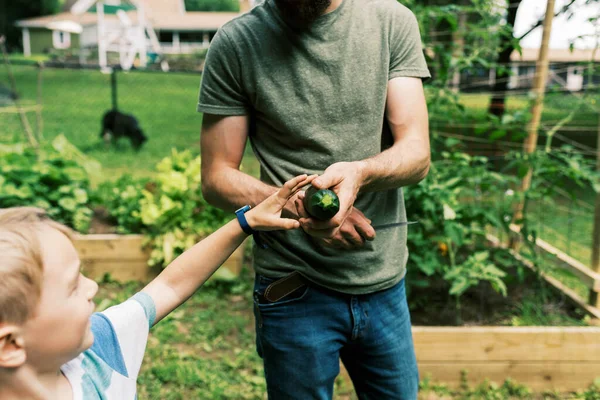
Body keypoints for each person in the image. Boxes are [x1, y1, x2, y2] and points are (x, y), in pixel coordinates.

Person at [198, 0, 431, 397]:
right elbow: (217, 176)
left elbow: (417, 153)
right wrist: (301, 205)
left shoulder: (391, 21)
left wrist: (360, 173)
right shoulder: (236, 43)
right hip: (293, 284)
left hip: (383, 282)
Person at [0, 174, 314, 400]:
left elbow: (170, 286)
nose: (93, 287)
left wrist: (245, 224)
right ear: (10, 345)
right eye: (73, 287)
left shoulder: (102, 348)